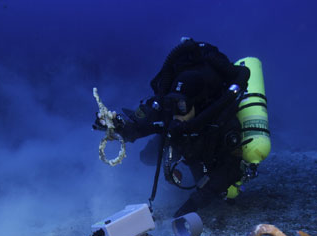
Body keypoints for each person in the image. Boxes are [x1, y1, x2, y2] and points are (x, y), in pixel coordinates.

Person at [93, 38, 256, 217]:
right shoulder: (169, 107)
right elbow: (137, 127)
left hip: (208, 149)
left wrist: (194, 203)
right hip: (182, 142)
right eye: (173, 104)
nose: (176, 112)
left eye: (183, 106)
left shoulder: (222, 118)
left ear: (198, 104)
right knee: (146, 157)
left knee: (222, 191)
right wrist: (115, 126)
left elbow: (230, 169)